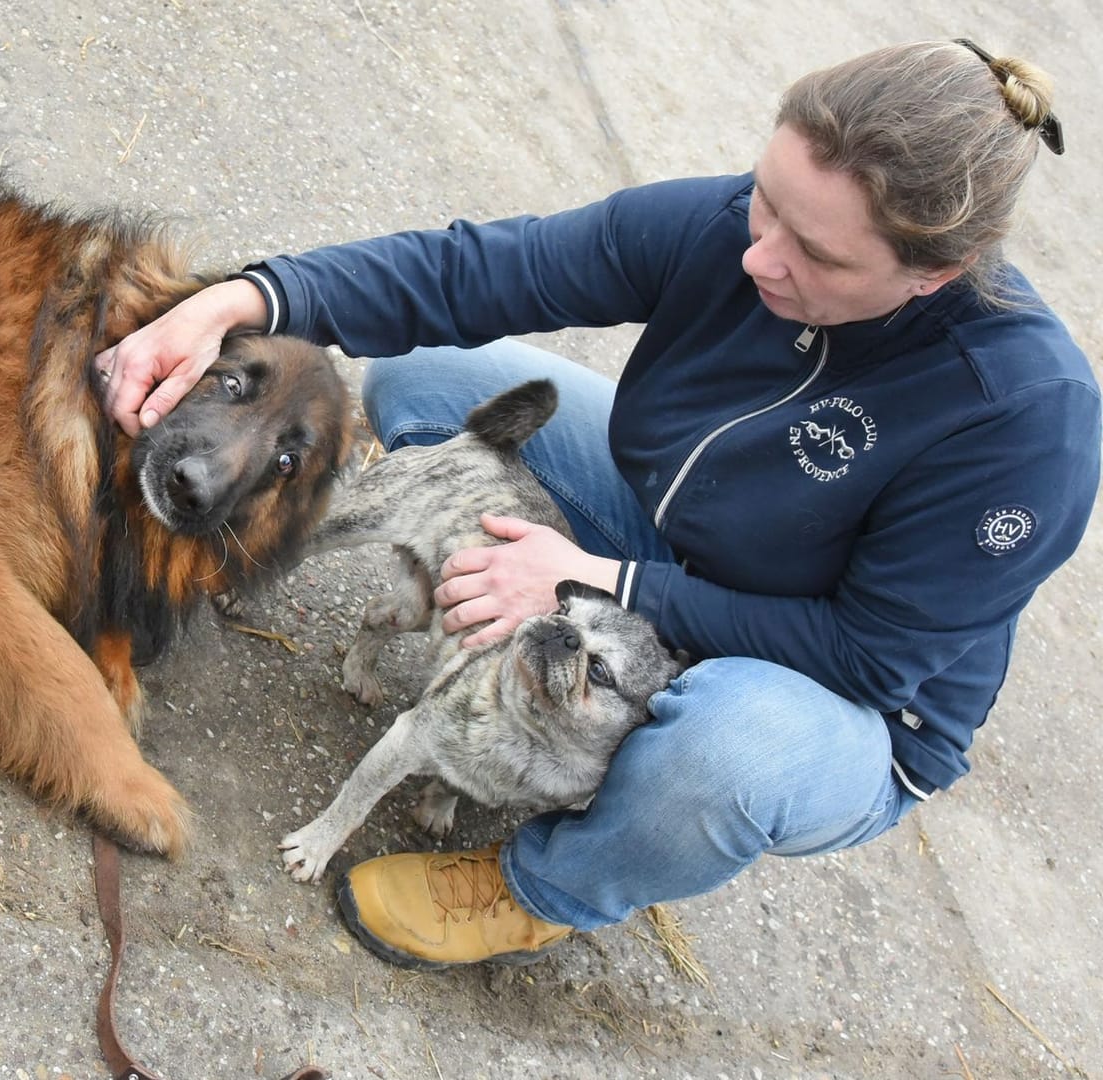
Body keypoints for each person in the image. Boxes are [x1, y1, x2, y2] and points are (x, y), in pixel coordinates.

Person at [95, 39, 1099, 967]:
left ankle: (545, 888)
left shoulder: (1023, 421)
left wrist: (595, 579)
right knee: (436, 381)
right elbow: (486, 268)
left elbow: (871, 655)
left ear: (939, 273)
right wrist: (251, 297)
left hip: (838, 685)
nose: (758, 257)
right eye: (765, 200)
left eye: (819, 257)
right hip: (680, 529)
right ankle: (552, 687)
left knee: (728, 755)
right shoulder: (746, 232)